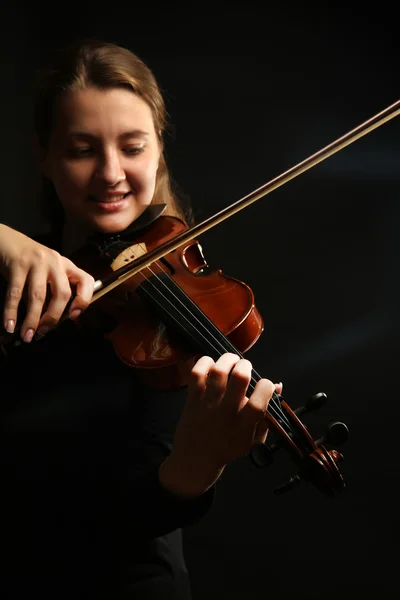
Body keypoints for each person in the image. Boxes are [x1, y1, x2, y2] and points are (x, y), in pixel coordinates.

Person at [0, 39, 281, 599]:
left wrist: (192, 471)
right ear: (44, 155)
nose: (111, 173)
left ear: (157, 152)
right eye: (82, 149)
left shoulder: (179, 308)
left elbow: (121, 518)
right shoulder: (12, 272)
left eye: (133, 147)